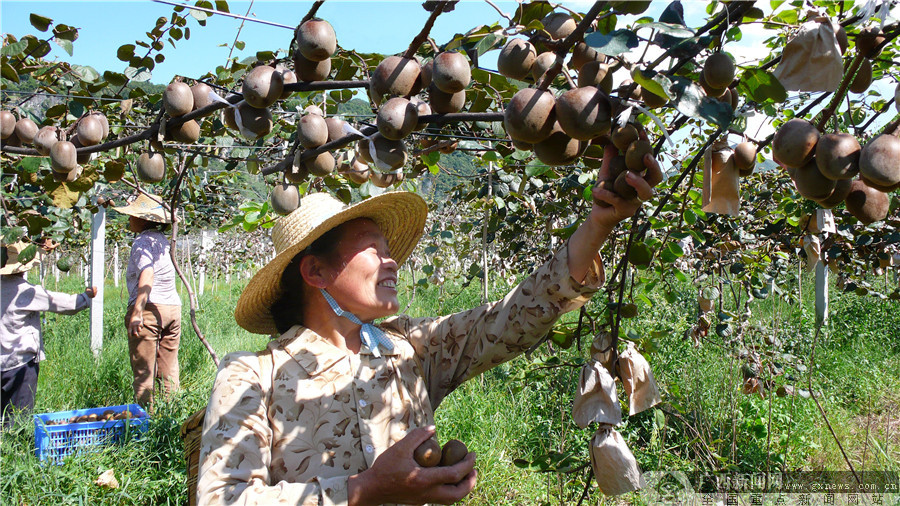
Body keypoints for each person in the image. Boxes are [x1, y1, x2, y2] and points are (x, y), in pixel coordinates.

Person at [197, 147, 663, 505]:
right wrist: (365, 490)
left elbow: (509, 318)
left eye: (388, 248)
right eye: (372, 248)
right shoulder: (253, 377)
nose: (391, 260)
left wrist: (597, 225)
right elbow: (222, 499)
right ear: (316, 273)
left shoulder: (407, 349)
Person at [1, 241, 96, 428]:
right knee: (18, 417)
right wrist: (86, 297)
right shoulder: (25, 291)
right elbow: (66, 304)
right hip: (20, 364)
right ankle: (16, 449)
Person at [112, 193, 182, 409]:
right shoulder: (164, 241)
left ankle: (146, 423)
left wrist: (137, 311)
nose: (129, 219)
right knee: (168, 370)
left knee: (144, 373)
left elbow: (147, 274)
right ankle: (172, 418)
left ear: (143, 219)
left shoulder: (142, 241)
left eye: (133, 215)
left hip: (150, 309)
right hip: (172, 308)